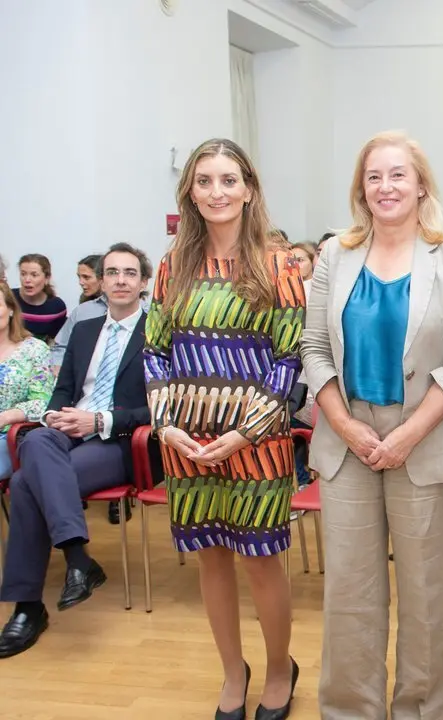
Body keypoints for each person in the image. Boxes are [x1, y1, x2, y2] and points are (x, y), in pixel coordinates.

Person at [301, 130, 443, 720]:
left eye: (398, 174)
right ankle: (350, 711)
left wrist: (406, 435)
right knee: (350, 593)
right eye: (374, 176)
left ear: (421, 184)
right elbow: (313, 350)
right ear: (362, 187)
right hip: (345, 437)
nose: (386, 186)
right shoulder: (335, 253)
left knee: (426, 598)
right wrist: (347, 425)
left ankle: (423, 711)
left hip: (425, 441)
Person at [143, 139, 304, 720]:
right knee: (211, 557)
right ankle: (233, 672)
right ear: (190, 190)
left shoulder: (279, 265)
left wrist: (245, 432)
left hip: (257, 443)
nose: (217, 192)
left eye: (229, 180)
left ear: (249, 189)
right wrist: (166, 426)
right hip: (186, 440)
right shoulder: (172, 266)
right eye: (205, 181)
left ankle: (280, 668)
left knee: (260, 558)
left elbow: (289, 359)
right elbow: (155, 352)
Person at [0, 244, 150, 659]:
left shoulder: (157, 333)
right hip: (67, 432)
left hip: (118, 441)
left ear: (142, 283)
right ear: (100, 282)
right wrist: (54, 417)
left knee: (25, 481)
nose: (121, 279)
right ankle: (77, 560)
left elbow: (160, 405)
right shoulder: (84, 330)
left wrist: (98, 422)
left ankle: (28, 608)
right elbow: (61, 393)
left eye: (130, 273)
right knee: (35, 439)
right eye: (113, 272)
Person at [0, 283, 54, 479]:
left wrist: (6, 416)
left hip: (10, 437)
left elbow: (44, 403)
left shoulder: (34, 350)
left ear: (11, 310)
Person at [15, 254, 67, 343]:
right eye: (23, 274)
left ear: (47, 278)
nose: (27, 280)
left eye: (34, 275)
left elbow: (57, 341)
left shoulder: (57, 307)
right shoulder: (9, 298)